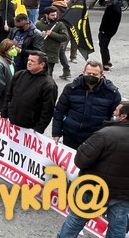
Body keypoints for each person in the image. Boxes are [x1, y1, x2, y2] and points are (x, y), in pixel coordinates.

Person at [56, 101, 129, 238]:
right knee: (117, 228)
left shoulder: (104, 134)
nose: (113, 112)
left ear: (123, 116)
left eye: (116, 111)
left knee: (76, 221)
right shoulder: (106, 133)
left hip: (94, 189)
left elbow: (80, 160)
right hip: (123, 195)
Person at [52, 62, 121, 150]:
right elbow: (59, 111)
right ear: (83, 72)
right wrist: (56, 132)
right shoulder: (71, 88)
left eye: (94, 74)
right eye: (88, 73)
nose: (91, 76)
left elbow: (116, 117)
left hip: (95, 138)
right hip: (71, 135)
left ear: (101, 75)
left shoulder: (112, 93)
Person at [2, 51, 57, 134]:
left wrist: (39, 128)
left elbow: (48, 110)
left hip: (30, 128)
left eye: (32, 61)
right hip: (12, 122)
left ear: (42, 64)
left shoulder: (49, 84)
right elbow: (8, 96)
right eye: (28, 60)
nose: (29, 62)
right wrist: (4, 113)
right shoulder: (19, 75)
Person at [36, 6, 71, 79]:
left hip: (52, 53)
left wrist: (52, 34)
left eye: (55, 15)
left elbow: (65, 37)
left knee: (48, 73)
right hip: (40, 52)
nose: (54, 17)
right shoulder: (39, 24)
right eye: (52, 15)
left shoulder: (59, 25)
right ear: (46, 15)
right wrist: (40, 35)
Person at [98, 0, 121, 71]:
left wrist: (103, 30)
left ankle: (105, 64)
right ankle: (107, 60)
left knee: (103, 47)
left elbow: (108, 20)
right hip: (110, 30)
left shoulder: (112, 7)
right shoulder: (115, 4)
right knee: (105, 46)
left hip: (106, 30)